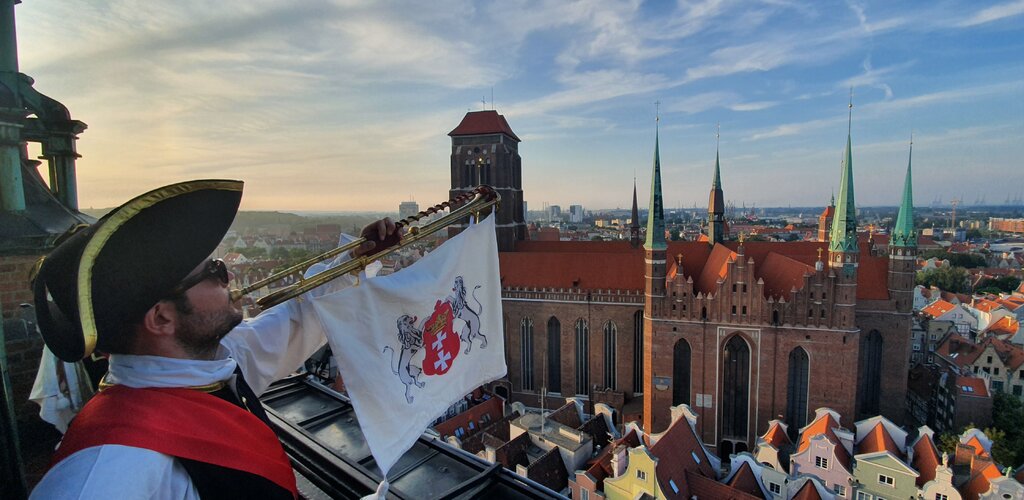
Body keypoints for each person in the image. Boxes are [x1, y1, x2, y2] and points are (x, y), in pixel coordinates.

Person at [29, 180, 400, 499]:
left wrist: (356, 256)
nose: (228, 277)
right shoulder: (107, 473)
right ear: (161, 318)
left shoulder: (207, 365)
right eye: (213, 271)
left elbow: (296, 319)